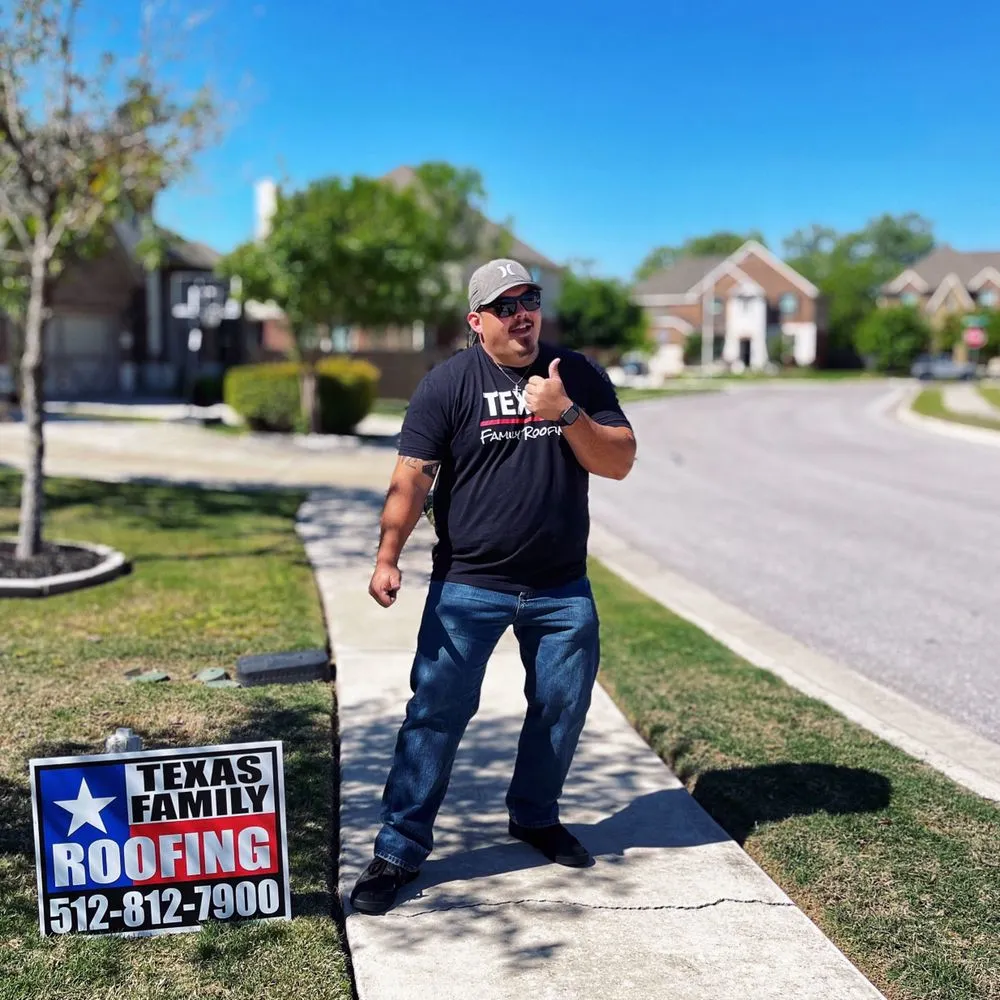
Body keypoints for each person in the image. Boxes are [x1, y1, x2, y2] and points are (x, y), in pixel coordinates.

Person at [350, 258, 637, 915]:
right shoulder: (447, 384)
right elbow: (412, 477)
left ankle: (534, 817)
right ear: (476, 321)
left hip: (561, 586)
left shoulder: (577, 375)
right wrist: (387, 555)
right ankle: (397, 850)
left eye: (529, 299)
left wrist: (565, 414)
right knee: (435, 715)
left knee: (562, 709)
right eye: (504, 305)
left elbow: (618, 461)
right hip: (469, 583)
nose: (521, 314)